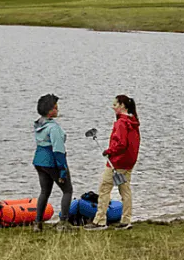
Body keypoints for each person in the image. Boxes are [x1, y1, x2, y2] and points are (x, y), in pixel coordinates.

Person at [85, 95, 141, 231]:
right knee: (125, 190)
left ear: (122, 106)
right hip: (128, 162)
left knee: (104, 188)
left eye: (115, 104)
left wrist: (109, 151)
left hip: (117, 162)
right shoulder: (133, 121)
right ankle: (126, 220)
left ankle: (100, 221)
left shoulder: (121, 122)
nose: (113, 107)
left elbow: (121, 144)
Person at [33, 94, 73, 232]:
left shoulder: (38, 125)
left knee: (45, 191)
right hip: (52, 162)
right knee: (67, 190)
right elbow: (58, 150)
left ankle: (37, 223)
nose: (58, 109)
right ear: (50, 111)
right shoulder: (53, 128)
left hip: (39, 161)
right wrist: (62, 169)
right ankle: (63, 223)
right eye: (55, 108)